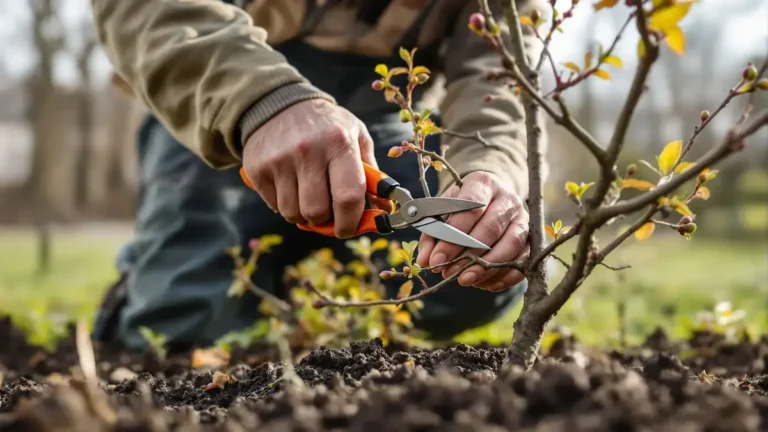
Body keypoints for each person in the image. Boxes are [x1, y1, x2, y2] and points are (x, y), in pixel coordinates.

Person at [90, 0, 548, 353]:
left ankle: (304, 292)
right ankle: (193, 277)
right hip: (221, 99)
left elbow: (498, 70)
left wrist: (490, 169)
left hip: (383, 120)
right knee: (180, 321)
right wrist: (265, 101)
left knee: (482, 267)